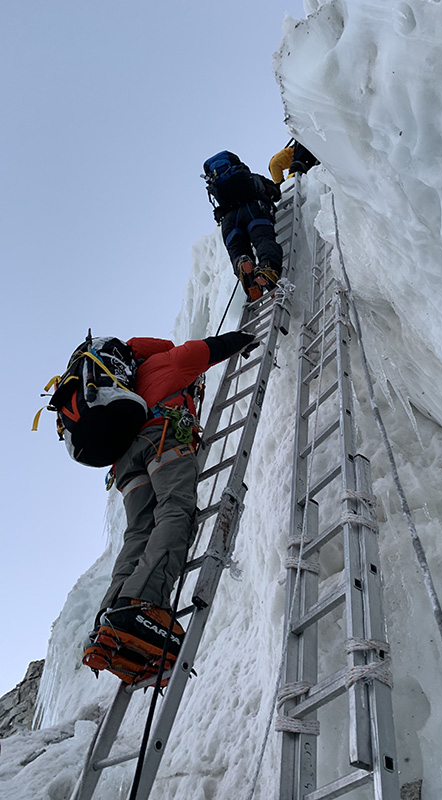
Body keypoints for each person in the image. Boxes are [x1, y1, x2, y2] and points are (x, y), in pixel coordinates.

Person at [83, 329, 259, 674]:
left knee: (138, 534)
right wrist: (247, 337)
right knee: (175, 510)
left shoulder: (126, 385)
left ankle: (110, 619)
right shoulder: (166, 361)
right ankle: (143, 604)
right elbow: (212, 348)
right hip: (162, 439)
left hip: (126, 466)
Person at [205, 151, 283, 301]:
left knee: (237, 251)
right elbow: (275, 192)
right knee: (263, 240)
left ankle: (243, 266)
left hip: (229, 220)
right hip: (253, 210)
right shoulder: (251, 178)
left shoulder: (217, 187)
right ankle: (267, 267)